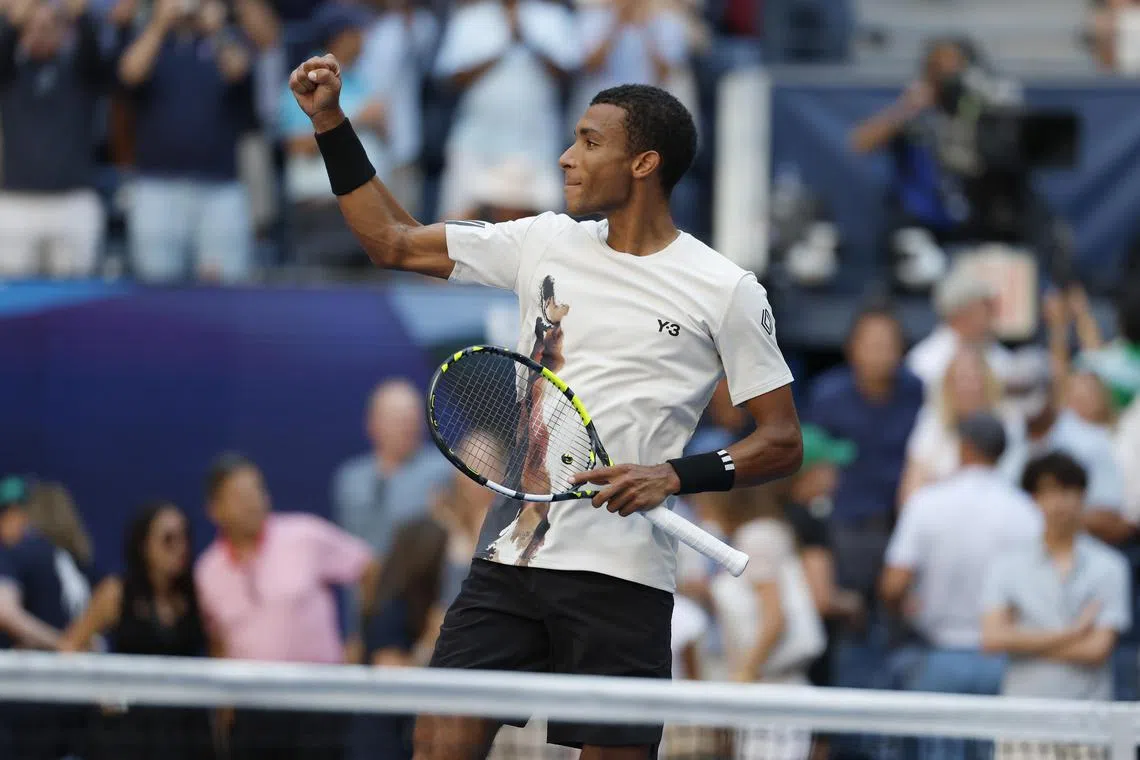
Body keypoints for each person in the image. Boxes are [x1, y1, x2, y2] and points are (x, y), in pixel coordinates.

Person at [288, 55, 802, 758]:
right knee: (437, 743)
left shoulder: (726, 288)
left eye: (590, 142)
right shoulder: (543, 241)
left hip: (623, 577)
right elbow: (393, 242)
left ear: (645, 162)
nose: (566, 157)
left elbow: (780, 441)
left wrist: (674, 475)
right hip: (512, 556)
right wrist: (330, 123)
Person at [194, 452, 381, 760]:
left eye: (257, 489)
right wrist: (223, 703)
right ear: (215, 509)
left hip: (319, 700)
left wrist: (360, 639)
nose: (253, 501)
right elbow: (217, 640)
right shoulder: (207, 571)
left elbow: (370, 568)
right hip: (252, 709)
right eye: (240, 495)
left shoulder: (304, 535)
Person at [880, 412, 1041, 760]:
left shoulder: (926, 503)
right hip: (1005, 661)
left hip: (939, 659)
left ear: (964, 448)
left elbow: (893, 586)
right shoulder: (1027, 512)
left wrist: (907, 609)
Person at [982, 452, 1130, 760]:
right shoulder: (1008, 565)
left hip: (1088, 724)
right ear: (1034, 498)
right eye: (1048, 492)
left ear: (1082, 495)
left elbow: (1096, 650)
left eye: (1067, 490)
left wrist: (1021, 640)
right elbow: (993, 638)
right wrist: (1073, 633)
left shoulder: (1109, 566)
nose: (1059, 503)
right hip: (1023, 724)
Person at [60, 501, 213, 760]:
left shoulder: (193, 596)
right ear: (144, 545)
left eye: (184, 537)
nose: (179, 548)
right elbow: (70, 646)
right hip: (132, 727)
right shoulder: (117, 592)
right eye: (168, 539)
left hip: (185, 725)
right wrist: (99, 692)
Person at [0, 476, 88, 760]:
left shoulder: (18, 555)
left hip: (31, 712)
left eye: (14, 513)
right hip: (78, 705)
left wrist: (63, 644)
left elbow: (5, 612)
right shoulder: (80, 566)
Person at [347, 517, 450, 760]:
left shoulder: (398, 603)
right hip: (379, 738)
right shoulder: (392, 609)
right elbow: (391, 675)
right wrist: (429, 644)